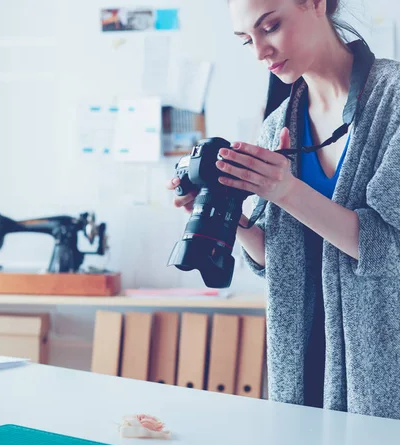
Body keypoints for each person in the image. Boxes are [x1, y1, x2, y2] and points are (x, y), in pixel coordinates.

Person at [167, 0, 400, 419]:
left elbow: (386, 248)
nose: (260, 52)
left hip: (382, 365)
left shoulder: (394, 100)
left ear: (314, 3)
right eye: (246, 41)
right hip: (302, 364)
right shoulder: (278, 123)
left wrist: (286, 190)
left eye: (270, 27)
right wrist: (230, 217)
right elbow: (274, 259)